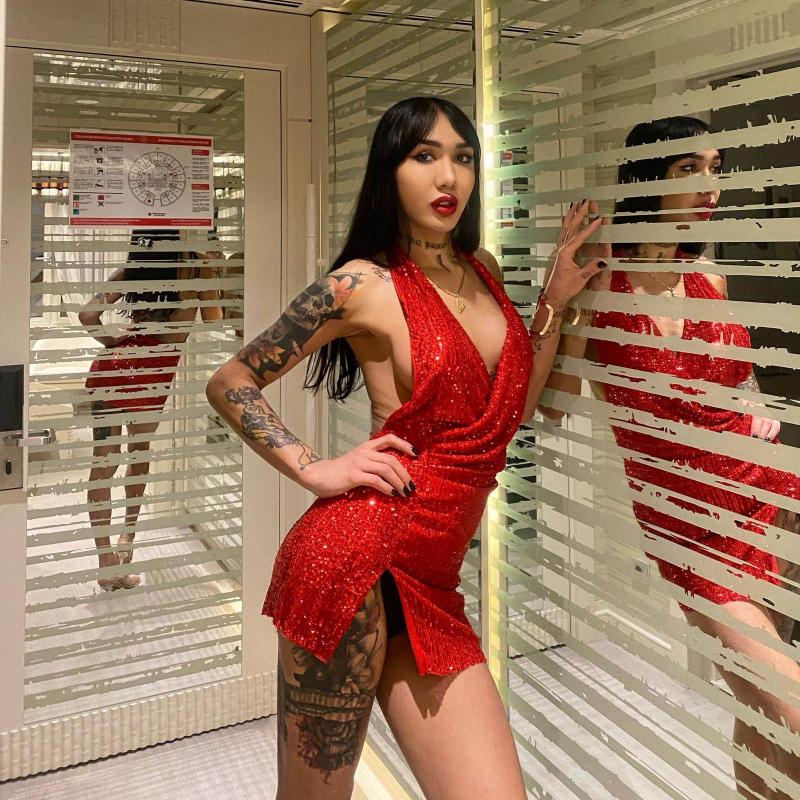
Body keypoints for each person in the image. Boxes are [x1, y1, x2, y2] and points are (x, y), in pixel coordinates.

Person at [206, 95, 605, 799]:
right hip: (353, 564)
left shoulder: (481, 268)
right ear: (389, 171)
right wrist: (316, 468)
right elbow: (232, 380)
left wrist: (554, 301)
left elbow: (510, 412)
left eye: (463, 157)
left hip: (433, 577)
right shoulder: (362, 284)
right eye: (425, 156)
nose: (448, 176)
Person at [540, 116, 800, 800]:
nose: (710, 185)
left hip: (768, 497)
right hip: (690, 526)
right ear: (648, 178)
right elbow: (554, 406)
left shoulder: (706, 276)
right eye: (690, 169)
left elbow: (740, 389)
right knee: (787, 705)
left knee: (760, 709)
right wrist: (562, 301)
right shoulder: (603, 286)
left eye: (716, 168)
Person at [79, 230, 223, 592]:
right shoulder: (196, 270)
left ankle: (106, 562)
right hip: (151, 378)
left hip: (112, 370)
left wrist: (113, 341)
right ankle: (126, 540)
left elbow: (88, 315)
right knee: (138, 454)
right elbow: (214, 319)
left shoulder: (133, 269)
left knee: (103, 463)